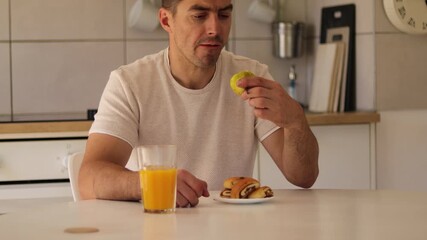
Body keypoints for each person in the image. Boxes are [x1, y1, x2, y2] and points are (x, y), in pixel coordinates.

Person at [79, 0, 319, 207]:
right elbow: (89, 179)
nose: (215, 28)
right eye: (199, 16)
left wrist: (295, 119)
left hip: (232, 229)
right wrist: (152, 183)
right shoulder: (129, 83)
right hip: (155, 224)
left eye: (224, 15)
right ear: (166, 20)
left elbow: (303, 177)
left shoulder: (253, 77)